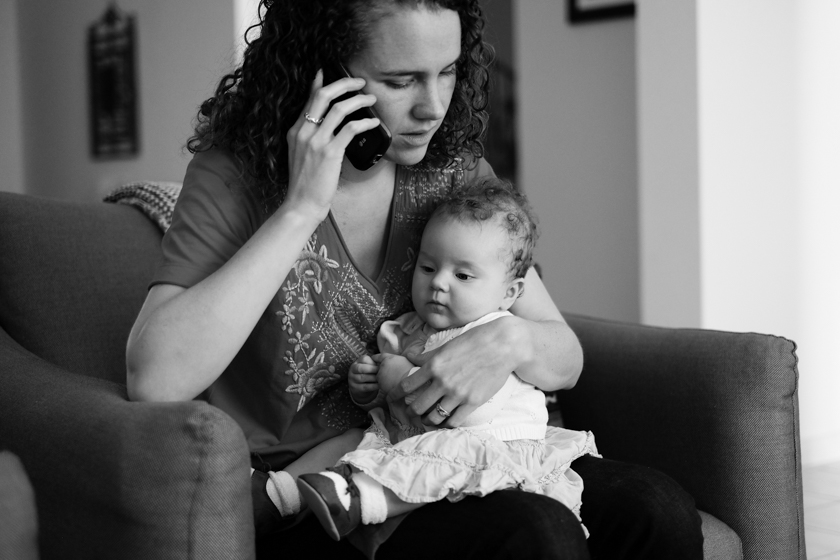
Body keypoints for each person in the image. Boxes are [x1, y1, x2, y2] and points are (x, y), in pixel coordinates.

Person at [125, 0, 703, 558]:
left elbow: (564, 357)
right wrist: (301, 207)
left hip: (460, 453)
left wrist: (510, 340)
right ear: (322, 75)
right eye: (401, 81)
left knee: (658, 507)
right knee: (537, 534)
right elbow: (156, 378)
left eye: (447, 72)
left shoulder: (454, 172)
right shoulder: (235, 175)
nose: (434, 108)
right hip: (325, 492)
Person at [297, 178, 600, 547]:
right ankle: (291, 492)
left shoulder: (496, 328)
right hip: (423, 442)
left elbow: (469, 415)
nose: (439, 282)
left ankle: (360, 499)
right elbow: (393, 411)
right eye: (427, 268)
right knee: (381, 444)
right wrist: (370, 391)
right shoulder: (407, 331)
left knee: (434, 458)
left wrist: (402, 377)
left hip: (494, 444)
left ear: (510, 294)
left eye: (462, 275)